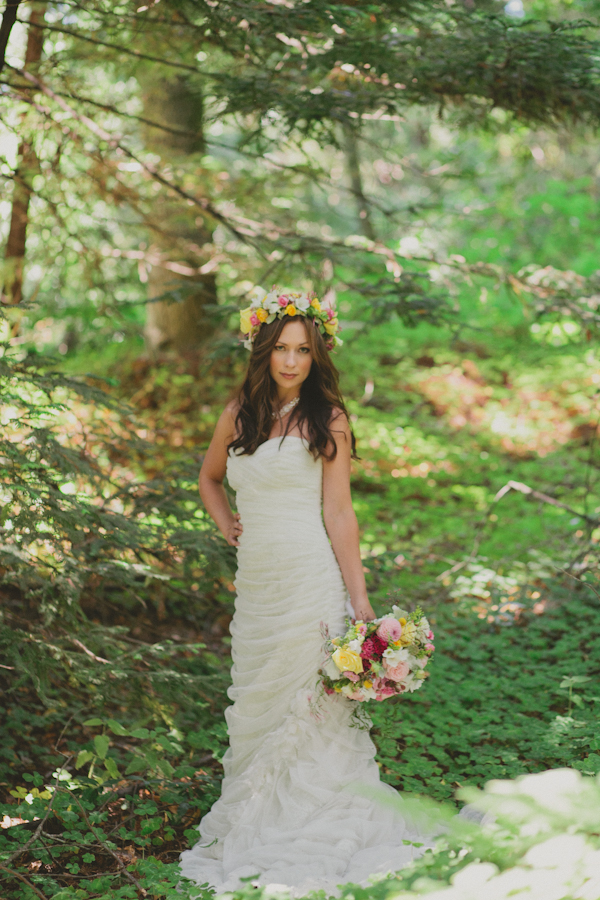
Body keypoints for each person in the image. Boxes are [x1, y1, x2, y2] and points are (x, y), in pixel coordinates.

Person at [179, 288, 426, 894]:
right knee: (258, 700)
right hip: (259, 585)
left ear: (317, 356)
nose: (291, 361)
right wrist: (228, 527)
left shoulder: (329, 419)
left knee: (311, 708)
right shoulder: (238, 413)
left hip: (311, 577)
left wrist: (359, 599)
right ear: (262, 349)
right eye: (282, 348)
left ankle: (316, 817)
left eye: (304, 351)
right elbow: (210, 479)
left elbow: (339, 513)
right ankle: (257, 812)